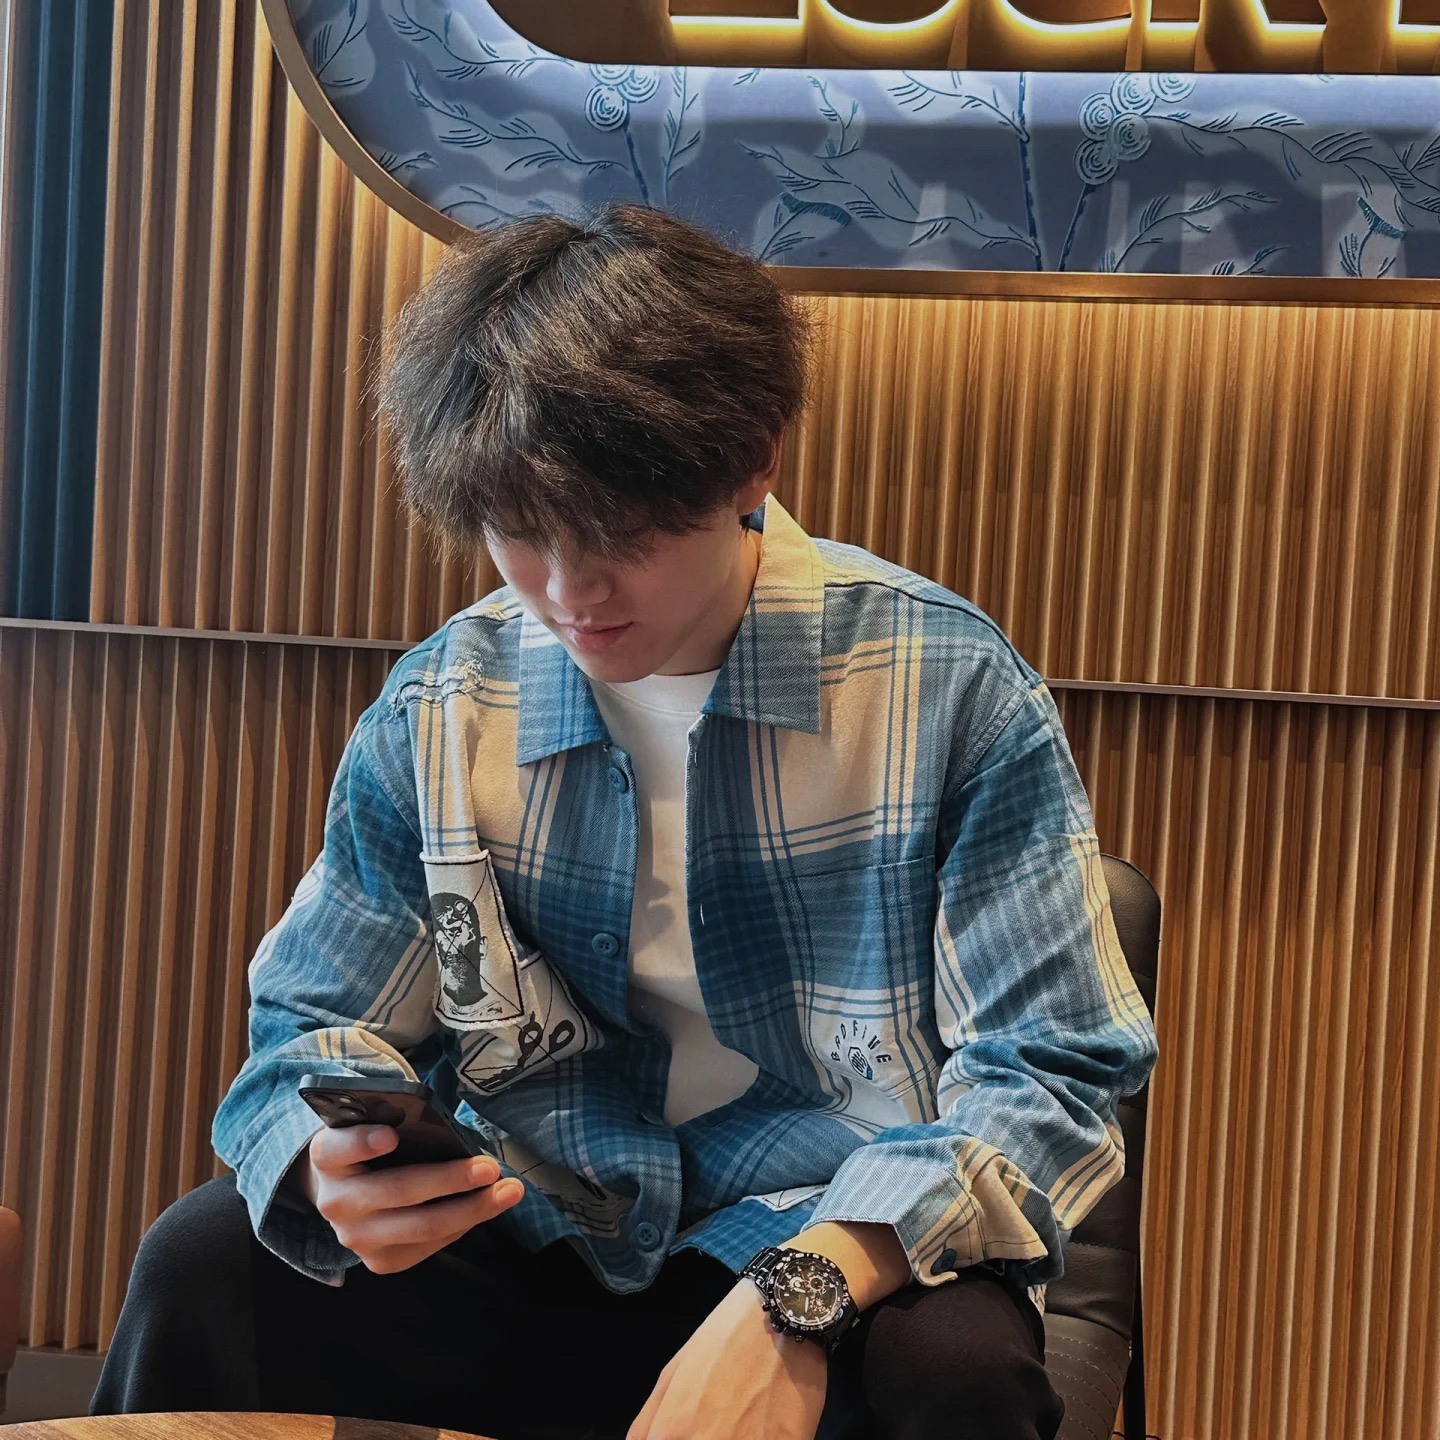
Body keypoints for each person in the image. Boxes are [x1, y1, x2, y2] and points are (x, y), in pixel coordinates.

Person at [92, 205, 1157, 1440]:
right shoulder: (446, 705)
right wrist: (330, 1154)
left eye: (621, 532)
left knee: (955, 1372)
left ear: (751, 462)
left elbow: (1048, 1069)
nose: (569, 590)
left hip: (840, 1227)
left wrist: (798, 1294)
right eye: (520, 531)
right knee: (209, 1265)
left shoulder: (946, 688)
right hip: (539, 1218)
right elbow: (312, 1024)